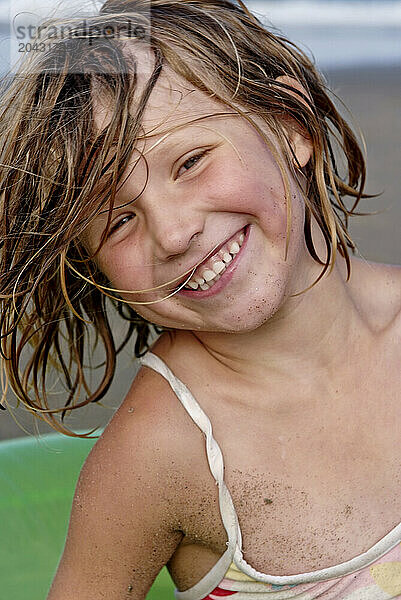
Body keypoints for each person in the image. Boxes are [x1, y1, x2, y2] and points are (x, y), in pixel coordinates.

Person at [0, 1, 400, 598]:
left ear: (291, 127)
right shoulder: (160, 453)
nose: (173, 232)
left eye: (190, 162)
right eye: (118, 222)